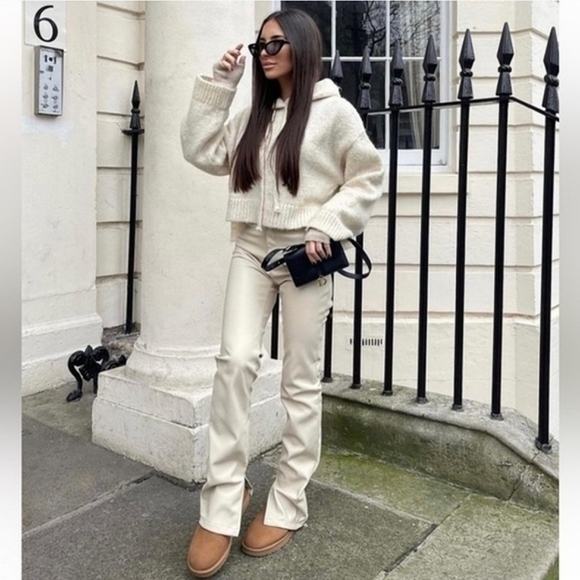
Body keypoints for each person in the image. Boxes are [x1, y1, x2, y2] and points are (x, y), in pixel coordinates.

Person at [180, 8, 384, 578]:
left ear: (301, 46)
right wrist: (219, 87)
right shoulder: (251, 110)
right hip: (251, 249)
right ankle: (224, 499)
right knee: (234, 362)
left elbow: (367, 175)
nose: (264, 53)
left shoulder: (334, 112)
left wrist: (327, 224)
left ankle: (290, 498)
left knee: (299, 378)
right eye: (259, 44)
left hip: (305, 259)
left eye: (275, 43)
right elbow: (200, 151)